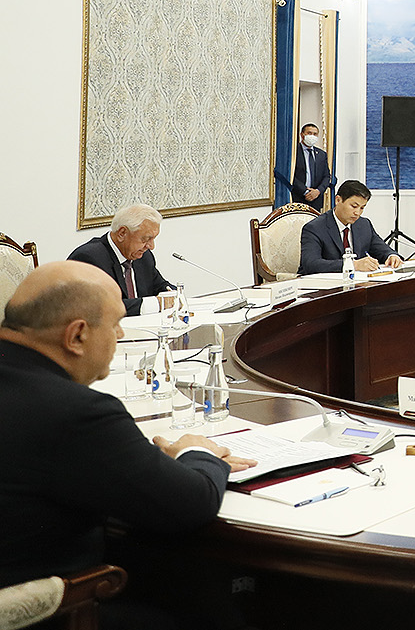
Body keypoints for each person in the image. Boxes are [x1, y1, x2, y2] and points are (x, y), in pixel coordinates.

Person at [0, 262, 253, 624]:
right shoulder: (77, 412)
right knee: (209, 602)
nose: (120, 334)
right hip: (54, 613)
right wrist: (197, 451)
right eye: (116, 323)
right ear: (77, 336)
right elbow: (190, 504)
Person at [66, 204, 176, 317]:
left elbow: (160, 286)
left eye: (153, 239)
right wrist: (156, 304)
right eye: (145, 239)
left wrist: (175, 295)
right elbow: (98, 307)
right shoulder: (89, 258)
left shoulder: (143, 256)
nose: (151, 246)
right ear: (122, 233)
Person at [298, 180, 403, 275]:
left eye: (362, 208)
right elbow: (311, 264)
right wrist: (353, 265)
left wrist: (391, 256)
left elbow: (381, 249)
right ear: (338, 200)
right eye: (354, 206)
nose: (357, 213)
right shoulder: (314, 228)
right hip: (321, 285)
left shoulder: (364, 224)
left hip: (357, 284)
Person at [290, 122, 335, 212]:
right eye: (309, 133)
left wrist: (317, 191)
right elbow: (291, 175)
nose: (312, 136)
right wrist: (306, 192)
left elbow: (326, 176)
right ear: (302, 135)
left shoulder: (321, 154)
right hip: (298, 197)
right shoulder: (293, 152)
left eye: (315, 134)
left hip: (316, 199)